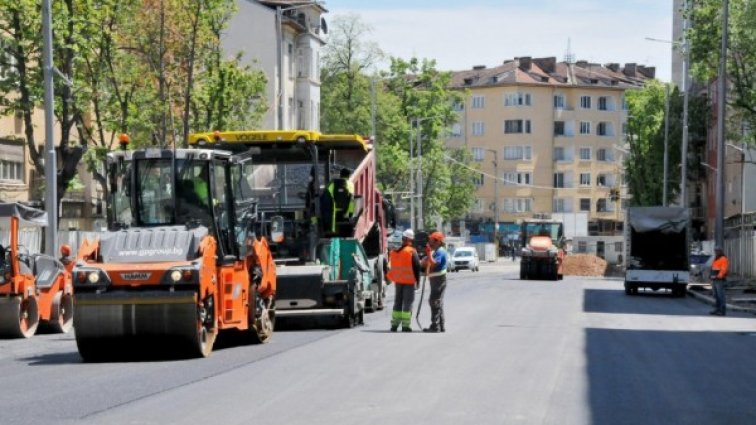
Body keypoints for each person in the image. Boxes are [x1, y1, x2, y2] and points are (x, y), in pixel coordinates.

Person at [386, 229, 421, 332]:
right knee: (408, 303)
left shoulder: (393, 252)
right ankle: (405, 326)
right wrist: (417, 281)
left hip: (398, 281)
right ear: (409, 239)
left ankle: (394, 325)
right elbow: (417, 267)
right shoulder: (411, 251)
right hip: (409, 281)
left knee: (397, 302)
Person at [421, 231, 449, 333]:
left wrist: (428, 254)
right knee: (437, 302)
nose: (429, 242)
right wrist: (427, 257)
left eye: (431, 240)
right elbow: (424, 263)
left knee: (434, 302)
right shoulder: (435, 252)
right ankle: (440, 326)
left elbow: (433, 264)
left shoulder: (441, 252)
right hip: (435, 280)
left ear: (437, 241)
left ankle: (435, 326)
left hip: (439, 280)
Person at [324, 168, 355, 233]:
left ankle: (330, 230)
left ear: (340, 175)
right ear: (349, 176)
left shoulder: (333, 184)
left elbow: (326, 197)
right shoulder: (350, 185)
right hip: (344, 212)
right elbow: (351, 200)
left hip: (332, 213)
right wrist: (350, 215)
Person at [709, 246, 729, 316]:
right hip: (715, 280)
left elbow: (723, 270)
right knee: (716, 295)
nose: (716, 252)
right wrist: (710, 275)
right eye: (715, 251)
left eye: (717, 251)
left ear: (721, 251)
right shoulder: (716, 258)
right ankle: (717, 309)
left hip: (719, 280)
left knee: (721, 296)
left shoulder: (723, 259)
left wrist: (718, 277)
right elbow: (713, 268)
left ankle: (722, 311)